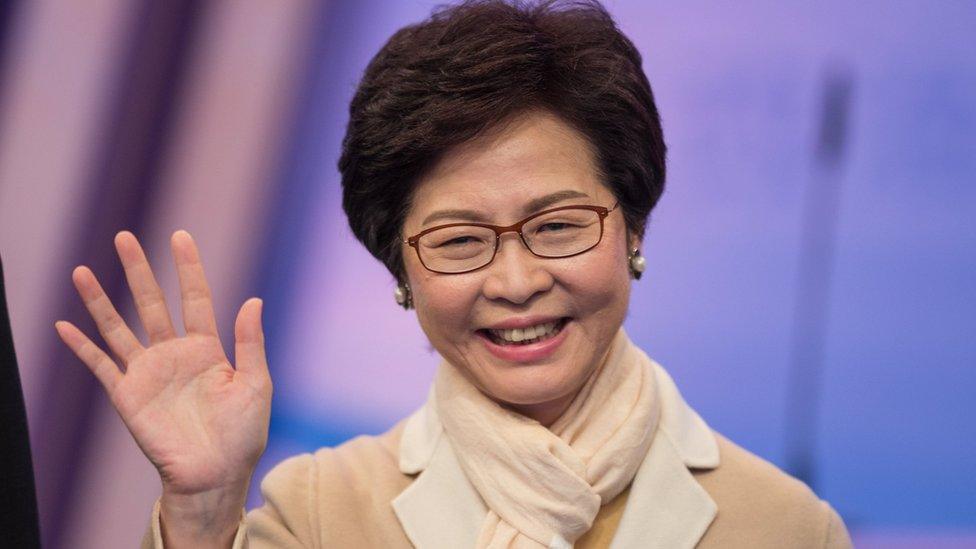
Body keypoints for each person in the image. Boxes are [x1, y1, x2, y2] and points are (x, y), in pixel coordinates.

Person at [55, 1, 852, 547]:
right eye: (460, 240)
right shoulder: (322, 511)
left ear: (633, 225)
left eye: (557, 226)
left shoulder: (781, 524)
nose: (513, 280)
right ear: (400, 269)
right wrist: (200, 511)